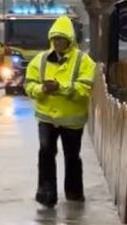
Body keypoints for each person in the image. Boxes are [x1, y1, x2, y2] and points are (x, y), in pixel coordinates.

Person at [24, 15, 96, 208]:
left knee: (72, 157)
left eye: (61, 39)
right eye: (54, 39)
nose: (57, 43)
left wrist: (61, 88)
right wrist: (42, 89)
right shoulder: (39, 60)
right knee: (46, 154)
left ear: (69, 40)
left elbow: (85, 89)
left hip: (72, 121)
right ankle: (46, 195)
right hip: (46, 119)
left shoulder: (84, 61)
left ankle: (74, 194)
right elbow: (29, 85)